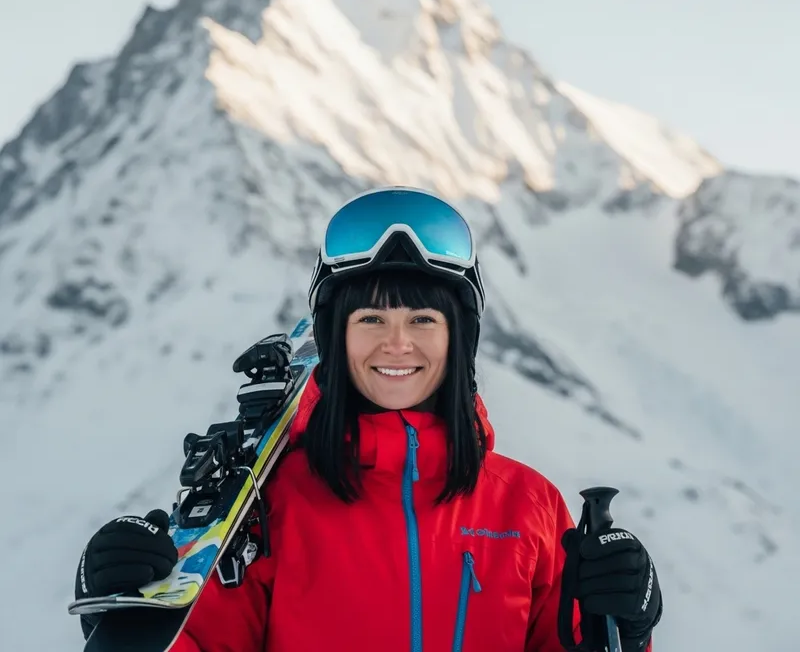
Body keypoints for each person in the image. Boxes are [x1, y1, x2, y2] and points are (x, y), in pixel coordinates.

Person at [74, 186, 663, 651]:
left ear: (461, 340)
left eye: (424, 321)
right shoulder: (264, 505)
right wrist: (120, 601)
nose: (397, 344)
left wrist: (628, 627)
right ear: (336, 338)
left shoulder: (529, 507)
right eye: (371, 321)